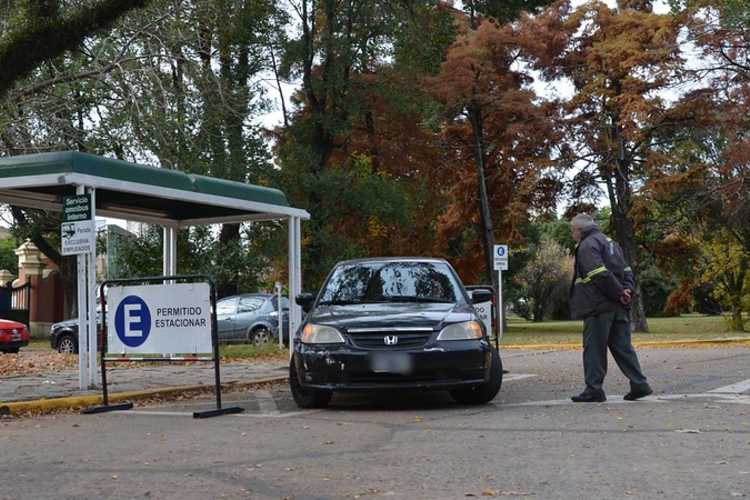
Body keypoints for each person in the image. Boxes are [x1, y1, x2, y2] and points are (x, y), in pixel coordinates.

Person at [568, 214, 653, 403]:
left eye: (572, 230)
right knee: (623, 347)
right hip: (618, 307)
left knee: (594, 349)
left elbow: (598, 273)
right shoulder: (611, 243)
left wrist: (618, 293)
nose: (572, 234)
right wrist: (626, 291)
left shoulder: (588, 245)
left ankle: (594, 389)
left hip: (598, 306)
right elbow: (627, 270)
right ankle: (640, 384)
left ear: (579, 230)